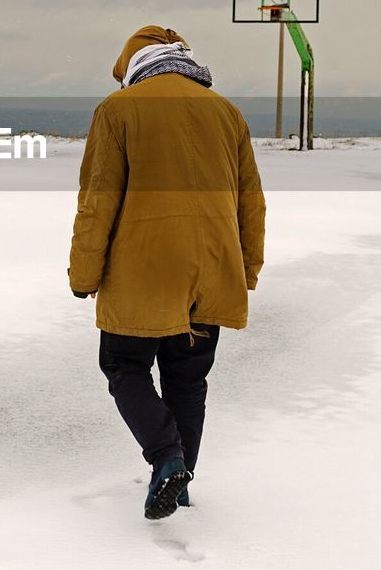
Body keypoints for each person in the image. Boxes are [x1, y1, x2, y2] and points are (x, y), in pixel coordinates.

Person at [68, 25, 266, 520]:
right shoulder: (225, 111)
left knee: (124, 367)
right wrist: (246, 267)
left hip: (142, 269)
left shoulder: (118, 110)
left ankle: (166, 457)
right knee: (187, 380)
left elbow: (98, 201)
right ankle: (178, 485)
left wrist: (84, 276)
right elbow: (251, 202)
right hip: (211, 270)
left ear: (132, 67)